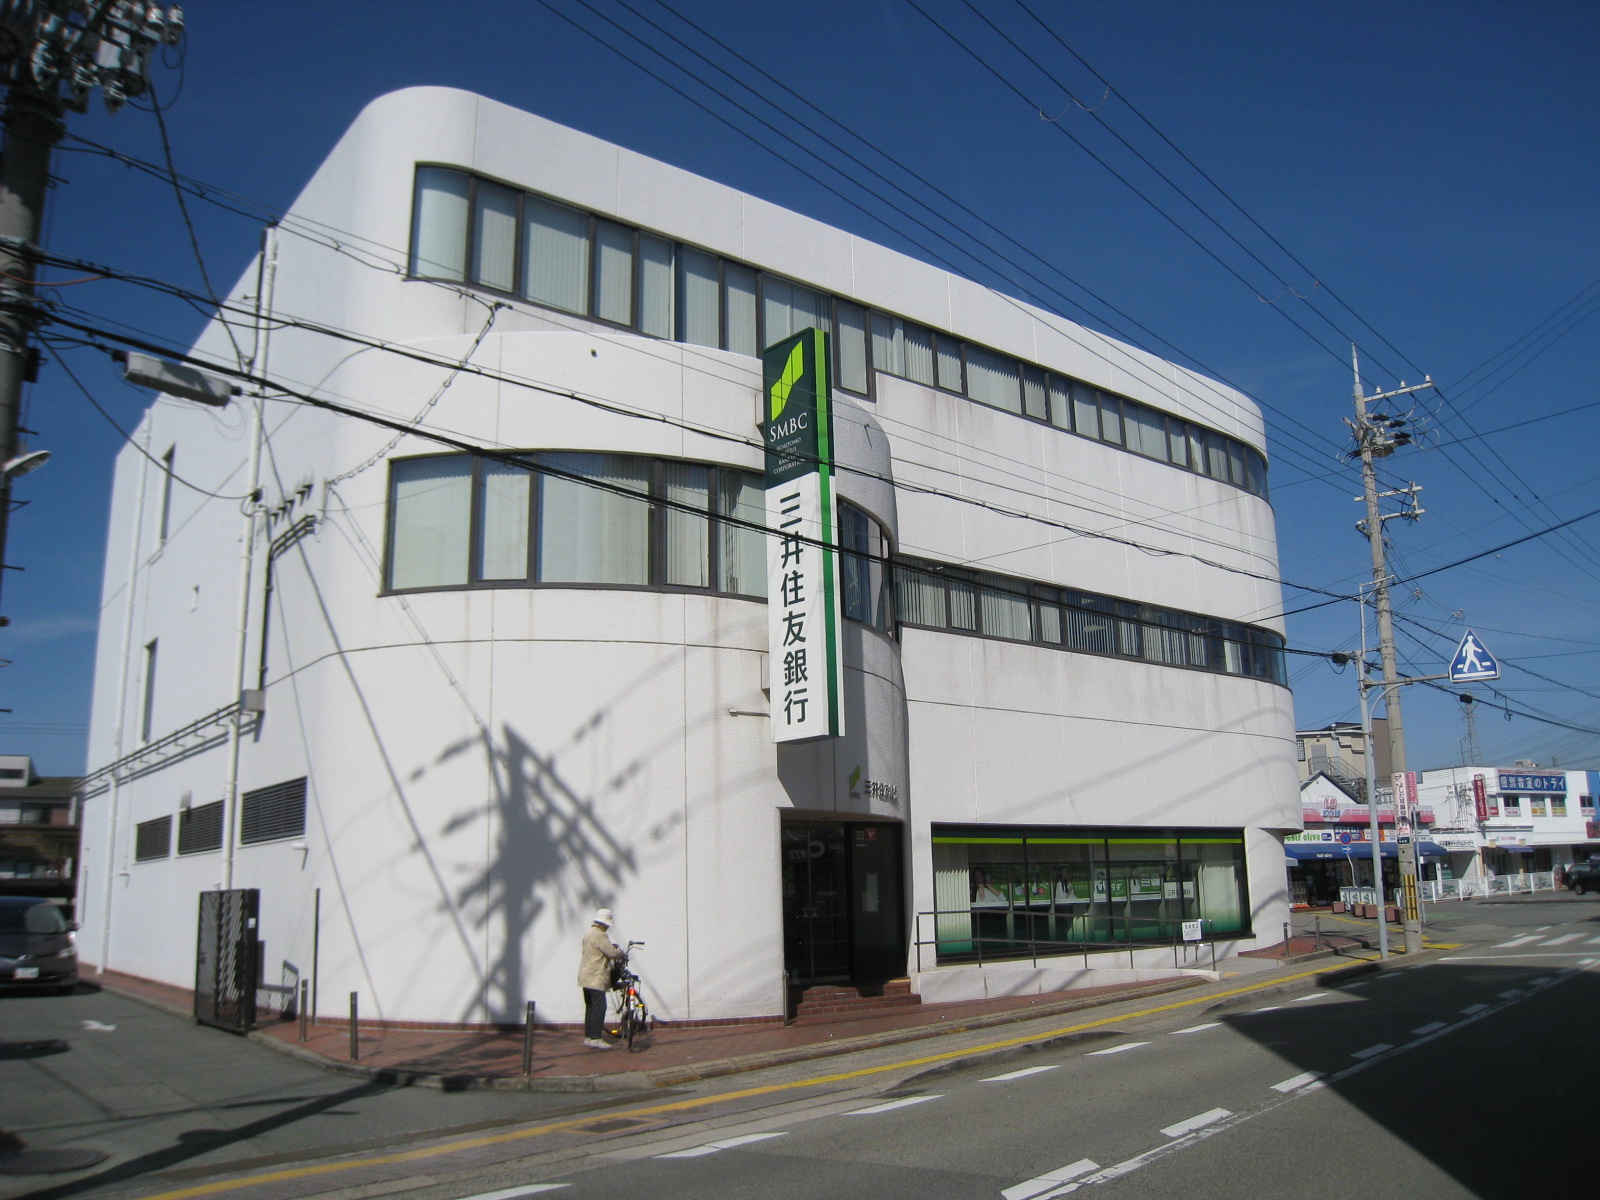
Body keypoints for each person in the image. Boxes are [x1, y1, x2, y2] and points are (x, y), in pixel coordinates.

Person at [577, 908, 624, 1049]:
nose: (608, 927)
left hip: (585, 976)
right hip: (596, 976)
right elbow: (611, 953)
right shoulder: (600, 935)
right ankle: (596, 1038)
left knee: (590, 1007)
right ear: (604, 923)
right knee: (600, 1007)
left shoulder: (589, 933)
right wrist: (620, 952)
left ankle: (589, 1037)